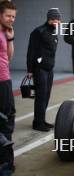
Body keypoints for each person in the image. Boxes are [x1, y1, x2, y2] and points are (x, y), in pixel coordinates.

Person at [26, 8, 61, 132]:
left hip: (49, 69)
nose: (57, 21)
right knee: (40, 96)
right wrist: (30, 70)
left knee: (46, 95)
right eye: (55, 19)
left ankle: (42, 120)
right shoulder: (38, 32)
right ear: (50, 19)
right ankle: (37, 123)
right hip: (39, 69)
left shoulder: (53, 32)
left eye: (58, 19)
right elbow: (31, 51)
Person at [0, 1, 16, 175]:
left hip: (5, 80)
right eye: (8, 16)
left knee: (7, 121)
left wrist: (10, 38)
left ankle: (7, 164)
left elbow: (8, 57)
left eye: (13, 16)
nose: (11, 19)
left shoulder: (7, 32)